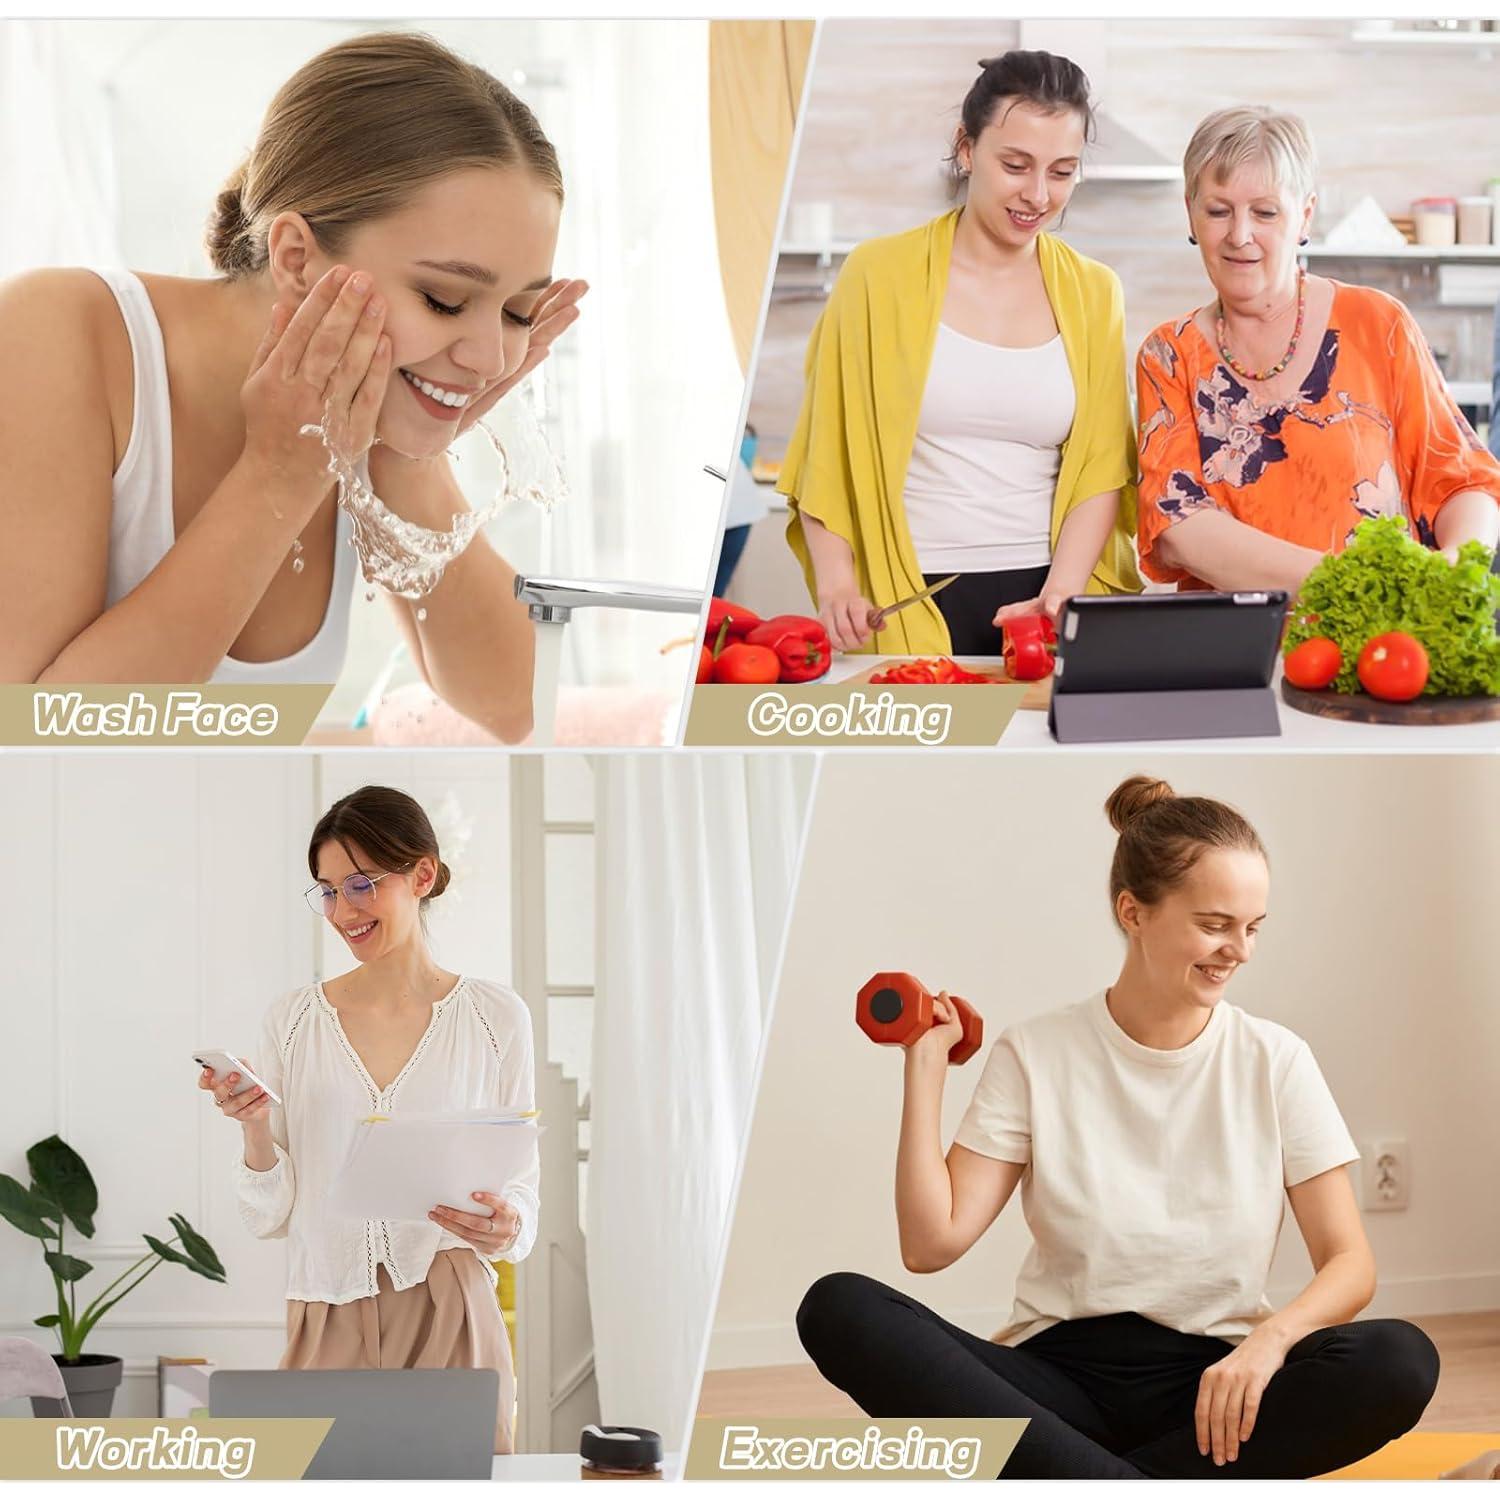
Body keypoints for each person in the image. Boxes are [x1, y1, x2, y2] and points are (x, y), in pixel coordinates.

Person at [796, 776, 1439, 1480]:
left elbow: (1350, 1263)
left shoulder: (1276, 1059)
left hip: (1216, 1389)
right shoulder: (1037, 1051)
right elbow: (930, 1244)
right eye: (1215, 923)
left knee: (1400, 1360)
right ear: (1133, 911)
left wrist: (1270, 1343)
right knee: (840, 1308)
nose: (1240, 950)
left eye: (1253, 927)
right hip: (1055, 1383)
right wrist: (925, 1069)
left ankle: (1074, 1479)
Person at [0, 31, 587, 738]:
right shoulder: (58, 332)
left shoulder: (360, 416)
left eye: (518, 311)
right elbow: (36, 739)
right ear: (297, 258)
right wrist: (279, 474)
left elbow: (516, 706)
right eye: (444, 300)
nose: (493, 358)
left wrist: (407, 454)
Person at [200, 784, 537, 1453]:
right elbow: (268, 1215)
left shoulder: (496, 1019)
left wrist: (508, 1224)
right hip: (326, 1303)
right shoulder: (293, 1021)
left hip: (452, 1305)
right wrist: (254, 1129)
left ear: (422, 875)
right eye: (326, 890)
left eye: (360, 884)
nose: (342, 910)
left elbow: (521, 1183)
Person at [777, 50, 1140, 658]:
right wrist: (838, 581)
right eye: (1016, 165)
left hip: (1042, 596)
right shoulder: (878, 275)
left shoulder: (1096, 292)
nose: (1038, 194)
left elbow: (1103, 468)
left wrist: (1058, 599)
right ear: (967, 149)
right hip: (903, 594)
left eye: (1062, 171)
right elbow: (828, 444)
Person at [1136, 106, 1500, 594]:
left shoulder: (1378, 323)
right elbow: (1179, 530)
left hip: (1382, 650)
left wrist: (1456, 567)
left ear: (1304, 215)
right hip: (1235, 654)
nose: (1239, 235)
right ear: (1191, 213)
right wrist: (1349, 582)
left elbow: (1462, 480)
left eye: (1265, 212)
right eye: (1218, 211)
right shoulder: (1168, 355)